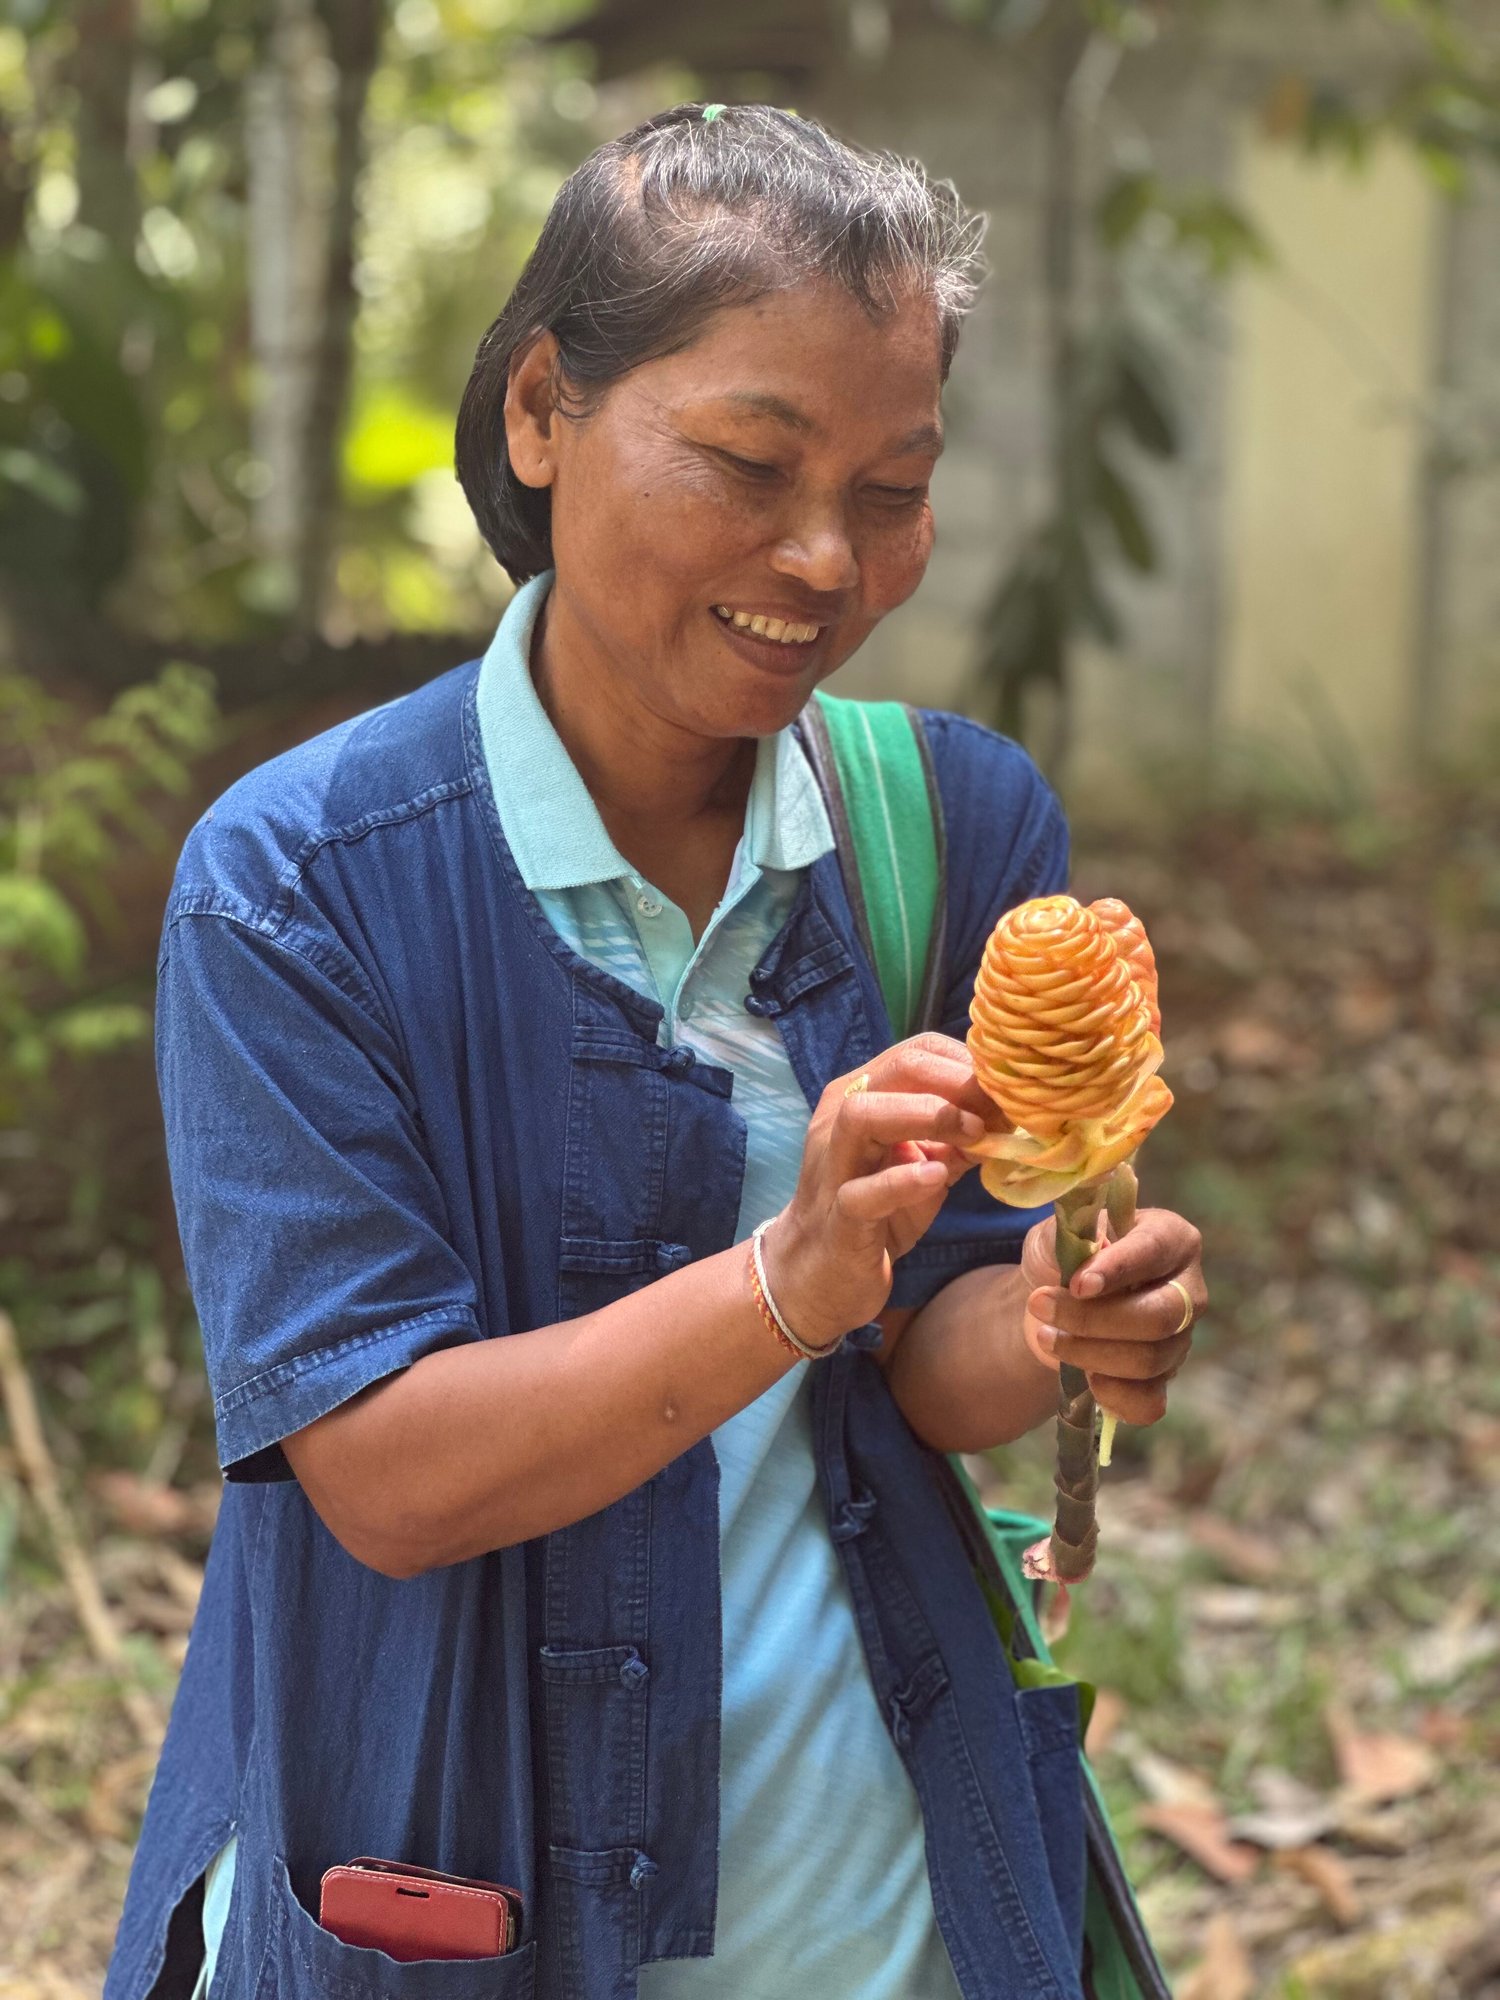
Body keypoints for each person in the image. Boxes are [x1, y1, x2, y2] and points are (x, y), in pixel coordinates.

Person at [106, 103, 1205, 2000]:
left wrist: (1039, 1314)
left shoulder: (946, 833)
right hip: (454, 1905)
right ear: (543, 409)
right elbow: (388, 1471)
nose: (824, 559)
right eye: (749, 460)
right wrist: (785, 1274)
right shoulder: (294, 892)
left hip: (878, 1905)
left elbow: (918, 1362)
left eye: (892, 488)